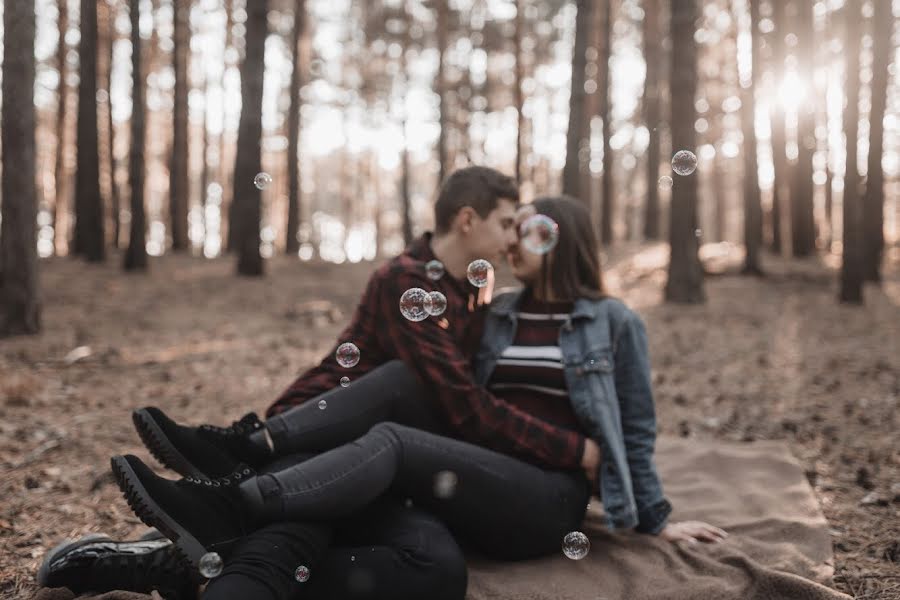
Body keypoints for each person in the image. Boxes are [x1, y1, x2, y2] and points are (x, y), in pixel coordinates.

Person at [108, 195, 727, 596]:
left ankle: (235, 503)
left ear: (564, 243)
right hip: (476, 475)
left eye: (531, 233)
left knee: (393, 443)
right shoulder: (501, 313)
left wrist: (657, 518)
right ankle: (239, 504)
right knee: (406, 391)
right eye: (511, 229)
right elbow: (451, 384)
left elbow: (637, 430)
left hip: (545, 496)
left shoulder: (614, 322)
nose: (512, 243)